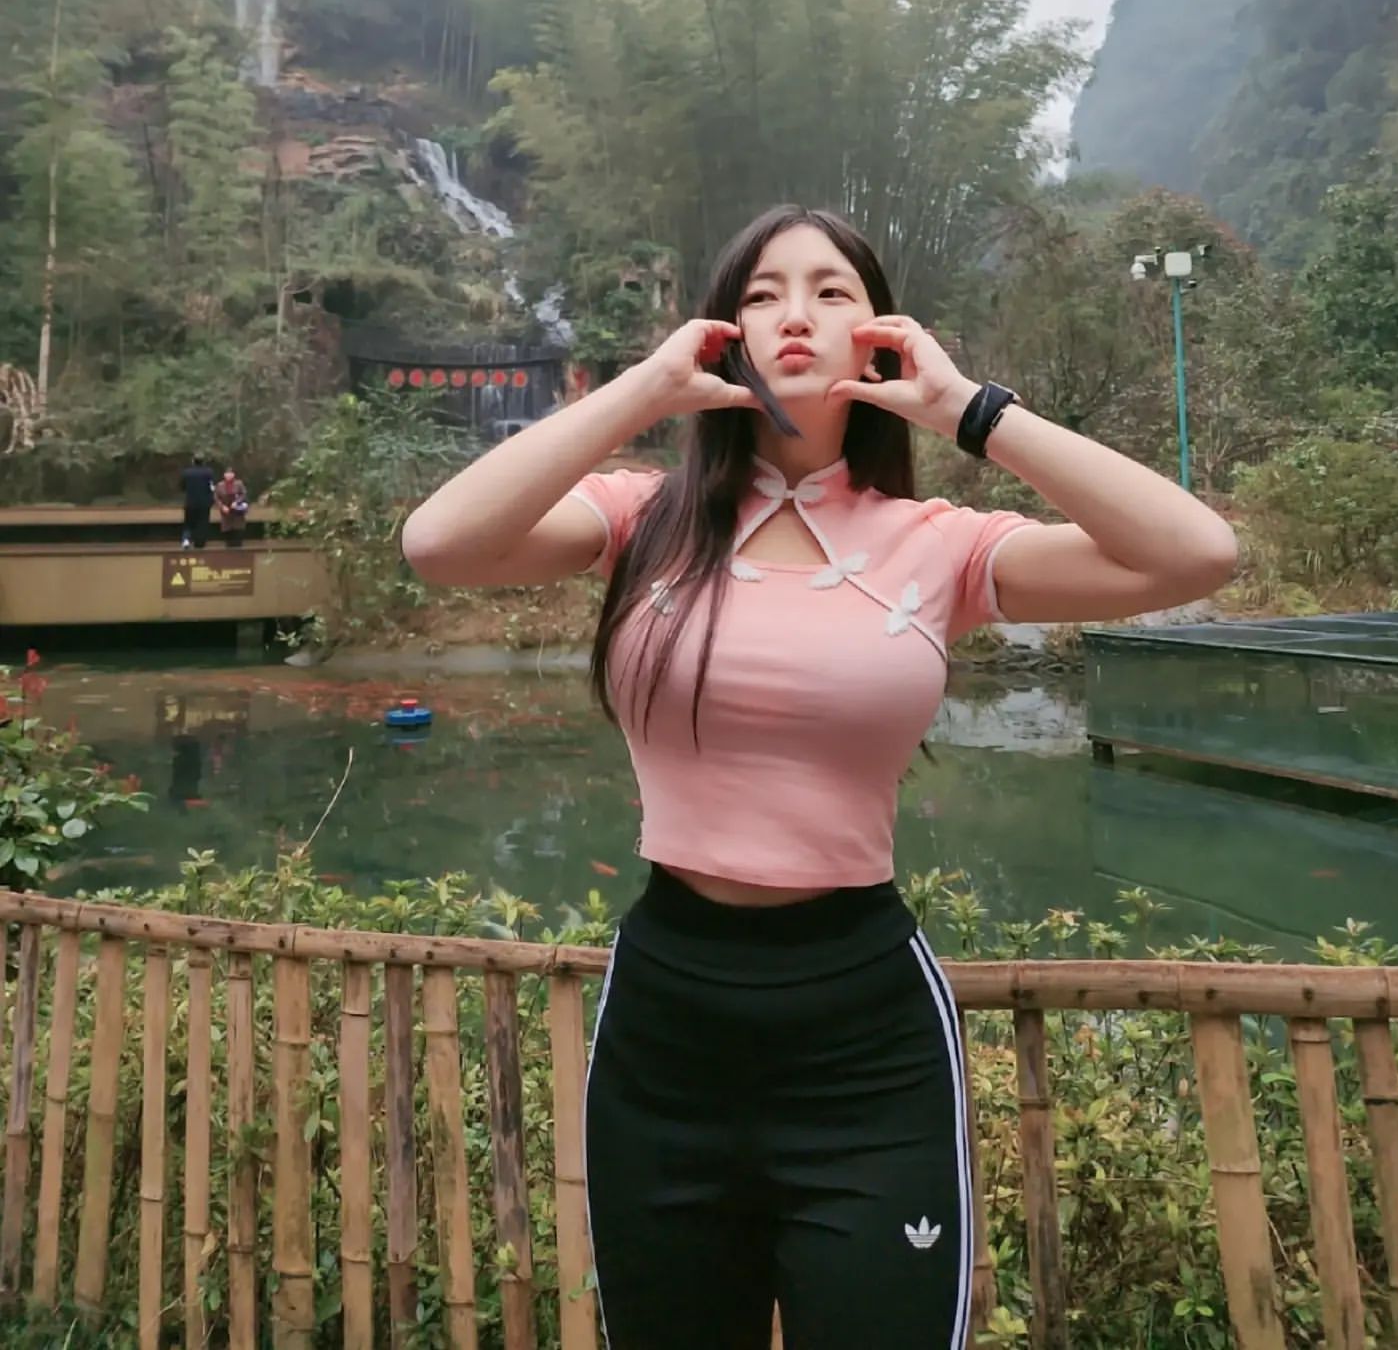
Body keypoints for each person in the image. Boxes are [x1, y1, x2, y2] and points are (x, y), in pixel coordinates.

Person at [402, 205, 1237, 1350]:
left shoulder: (938, 542)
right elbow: (438, 543)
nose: (794, 313)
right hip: (668, 1026)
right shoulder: (644, 520)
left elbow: (1198, 553)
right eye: (761, 294)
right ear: (723, 335)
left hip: (863, 1032)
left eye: (831, 291)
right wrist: (645, 392)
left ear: (878, 335)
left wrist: (970, 411)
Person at [179, 453, 215, 549]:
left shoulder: (187, 473)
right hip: (204, 503)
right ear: (203, 462)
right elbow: (211, 487)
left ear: (193, 461)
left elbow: (182, 487)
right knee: (202, 523)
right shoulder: (209, 472)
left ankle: (186, 539)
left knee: (188, 522)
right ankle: (200, 543)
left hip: (190, 502)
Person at [215, 466, 249, 548]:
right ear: (224, 475)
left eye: (230, 473)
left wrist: (237, 502)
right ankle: (228, 545)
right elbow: (216, 498)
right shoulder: (220, 485)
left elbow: (243, 494)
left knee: (238, 529)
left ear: (234, 475)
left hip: (237, 510)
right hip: (226, 510)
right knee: (227, 529)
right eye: (227, 473)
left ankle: (238, 545)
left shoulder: (239, 483)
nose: (229, 475)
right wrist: (222, 506)